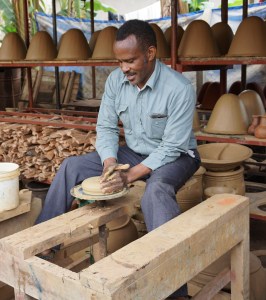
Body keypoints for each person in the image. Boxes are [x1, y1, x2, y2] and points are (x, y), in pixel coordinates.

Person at [36, 19, 200, 300]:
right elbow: (107, 128)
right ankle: (41, 247)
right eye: (120, 61)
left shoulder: (179, 88)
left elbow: (172, 145)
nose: (124, 68)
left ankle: (175, 290)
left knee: (157, 191)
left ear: (150, 54)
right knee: (71, 166)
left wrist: (132, 174)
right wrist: (110, 162)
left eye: (130, 60)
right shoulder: (116, 81)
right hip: (134, 151)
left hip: (178, 155)